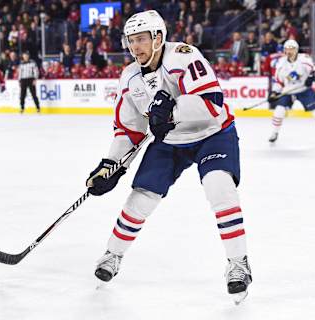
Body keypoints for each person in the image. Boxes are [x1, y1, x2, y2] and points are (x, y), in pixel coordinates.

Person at [85, 10, 252, 304]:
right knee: (141, 196)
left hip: (212, 133)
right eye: (130, 41)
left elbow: (212, 103)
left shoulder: (185, 57)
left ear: (158, 38)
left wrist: (172, 110)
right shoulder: (130, 78)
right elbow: (130, 130)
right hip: (171, 141)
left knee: (219, 187)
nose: (135, 47)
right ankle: (112, 254)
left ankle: (238, 264)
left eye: (141, 39)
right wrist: (111, 165)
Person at [268, 39, 315, 143]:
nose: (289, 52)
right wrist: (274, 92)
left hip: (304, 90)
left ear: (297, 50)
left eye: (292, 49)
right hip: (287, 91)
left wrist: (312, 78)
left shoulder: (304, 59)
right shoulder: (280, 63)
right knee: (279, 111)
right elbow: (278, 81)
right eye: (287, 49)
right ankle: (274, 133)